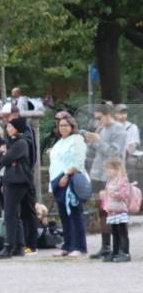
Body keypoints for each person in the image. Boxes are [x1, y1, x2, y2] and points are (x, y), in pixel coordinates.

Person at [85, 103, 127, 259]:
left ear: (108, 114)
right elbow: (93, 152)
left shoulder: (119, 129)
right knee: (101, 212)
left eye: (99, 118)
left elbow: (114, 154)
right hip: (97, 175)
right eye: (95, 118)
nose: (97, 121)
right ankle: (105, 247)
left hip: (113, 177)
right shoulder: (100, 129)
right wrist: (90, 141)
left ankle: (121, 248)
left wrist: (97, 140)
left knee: (115, 211)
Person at [48, 113, 88, 257]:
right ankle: (68, 245)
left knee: (74, 213)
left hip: (71, 180)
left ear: (72, 126)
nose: (63, 128)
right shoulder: (59, 142)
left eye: (66, 125)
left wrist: (67, 175)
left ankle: (79, 246)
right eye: (61, 125)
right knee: (64, 214)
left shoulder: (77, 140)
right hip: (57, 181)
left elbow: (78, 161)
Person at [0, 117, 35, 259]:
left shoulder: (21, 142)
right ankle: (19, 245)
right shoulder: (12, 142)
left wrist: (5, 153)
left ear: (17, 128)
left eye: (10, 126)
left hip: (17, 181)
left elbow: (4, 159)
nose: (7, 128)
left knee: (10, 214)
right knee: (15, 214)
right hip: (11, 180)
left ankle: (9, 245)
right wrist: (4, 152)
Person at [100, 157, 132, 263]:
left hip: (120, 210)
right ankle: (116, 252)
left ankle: (125, 252)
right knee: (114, 232)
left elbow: (125, 194)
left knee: (122, 232)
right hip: (112, 210)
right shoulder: (110, 181)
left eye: (110, 169)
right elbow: (107, 193)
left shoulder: (123, 180)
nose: (108, 172)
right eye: (107, 170)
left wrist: (112, 193)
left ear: (118, 168)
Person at [114, 103, 140, 169]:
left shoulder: (133, 127)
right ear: (115, 114)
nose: (123, 115)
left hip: (127, 155)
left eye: (125, 113)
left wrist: (126, 152)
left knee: (131, 162)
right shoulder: (111, 127)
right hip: (113, 154)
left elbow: (133, 145)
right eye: (121, 113)